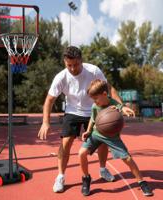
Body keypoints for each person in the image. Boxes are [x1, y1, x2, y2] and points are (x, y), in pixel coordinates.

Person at [38, 46, 123, 193]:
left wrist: (121, 106)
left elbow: (109, 88)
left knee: (103, 140)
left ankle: (103, 169)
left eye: (75, 65)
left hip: (94, 110)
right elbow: (49, 100)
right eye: (68, 65)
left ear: (81, 61)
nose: (72, 68)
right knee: (65, 143)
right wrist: (45, 122)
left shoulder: (93, 71)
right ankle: (60, 176)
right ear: (65, 62)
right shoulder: (61, 77)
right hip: (72, 112)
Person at [79, 79, 153, 196]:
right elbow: (93, 119)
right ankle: (86, 178)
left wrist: (124, 109)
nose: (95, 102)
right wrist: (88, 131)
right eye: (93, 99)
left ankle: (142, 182)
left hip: (112, 137)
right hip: (96, 134)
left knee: (127, 159)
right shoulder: (95, 106)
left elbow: (121, 108)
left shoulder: (114, 104)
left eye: (96, 98)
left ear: (104, 94)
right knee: (81, 153)